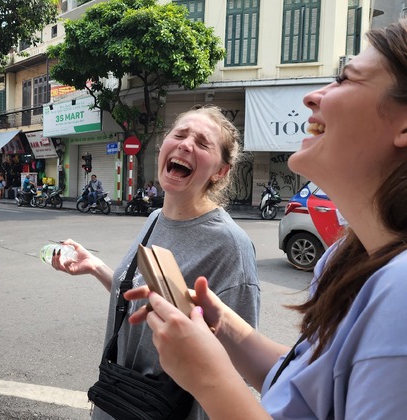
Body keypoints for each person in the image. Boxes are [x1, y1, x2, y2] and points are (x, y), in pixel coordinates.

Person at [126, 20, 407, 419]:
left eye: (346, 79)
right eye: (178, 134)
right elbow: (305, 381)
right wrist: (220, 324)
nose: (313, 96)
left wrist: (208, 377)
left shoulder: (401, 289)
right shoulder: (345, 256)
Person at [52, 105, 260, 420]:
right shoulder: (154, 219)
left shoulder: (230, 245)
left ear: (221, 171)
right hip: (120, 398)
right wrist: (94, 266)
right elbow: (141, 302)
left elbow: (239, 367)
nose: (186, 144)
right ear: (163, 146)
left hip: (166, 410)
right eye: (179, 134)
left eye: (202, 143)